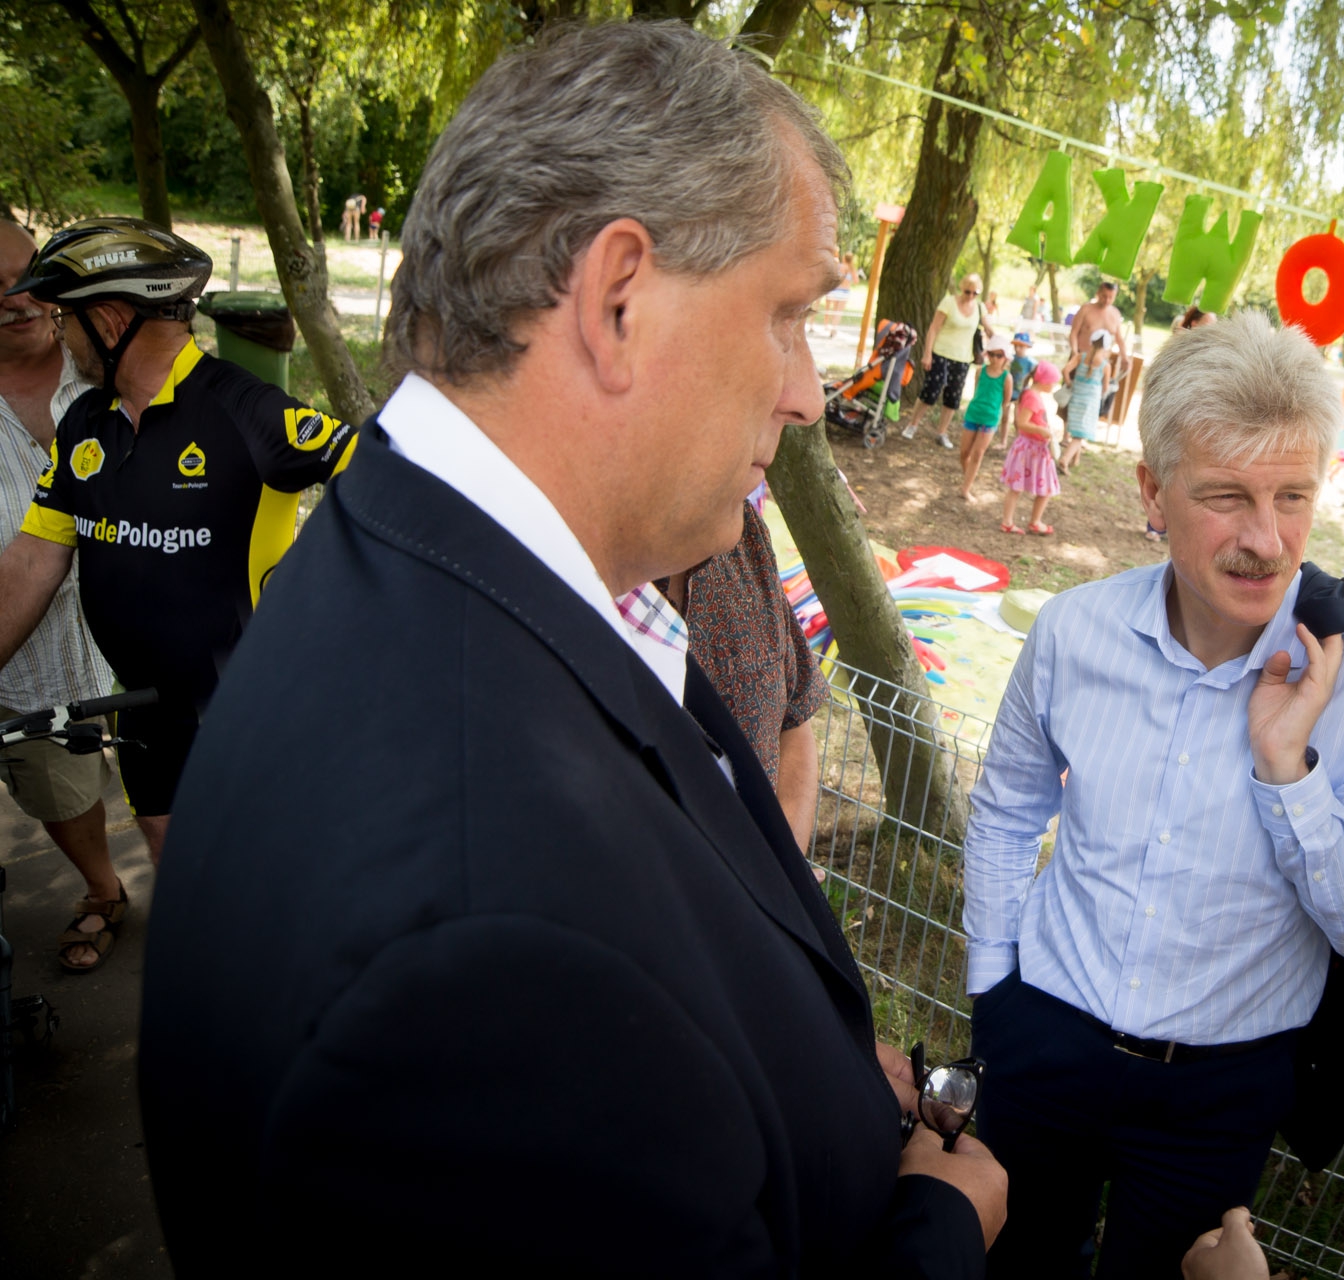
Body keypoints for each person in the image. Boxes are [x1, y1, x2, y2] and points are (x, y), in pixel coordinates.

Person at [137, 23, 1004, 1275]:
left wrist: (802, 1062)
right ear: (617, 301)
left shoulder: (441, 559)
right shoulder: (489, 958)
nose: (812, 391)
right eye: (789, 314)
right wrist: (936, 1228)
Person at [965, 313, 1344, 1279]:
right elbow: (1009, 805)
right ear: (1152, 491)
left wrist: (1288, 775)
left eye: (1292, 496)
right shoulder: (1073, 630)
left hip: (1221, 1089)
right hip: (1042, 1037)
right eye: (1226, 497)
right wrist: (993, 987)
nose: (1267, 540)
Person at [0, 217, 357, 861]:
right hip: (143, 715)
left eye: (66, 319)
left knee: (262, 904)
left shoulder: (248, 413)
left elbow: (403, 484)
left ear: (110, 322)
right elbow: (30, 561)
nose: (60, 336)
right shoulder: (84, 424)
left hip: (251, 717)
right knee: (189, 900)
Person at [0, 218, 121, 972]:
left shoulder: (114, 370)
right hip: (24, 659)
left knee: (95, 786)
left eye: (18, 277)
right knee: (58, 787)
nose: (10, 300)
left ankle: (118, 894)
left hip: (131, 646)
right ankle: (104, 888)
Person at [642, 496, 829, 849]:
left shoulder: (746, 536)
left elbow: (795, 719)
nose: (774, 439)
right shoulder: (583, 569)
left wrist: (785, 871)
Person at [901, 272, 990, 450]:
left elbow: (988, 328)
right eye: (968, 292)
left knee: (953, 397)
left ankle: (942, 432)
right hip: (941, 353)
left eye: (975, 293)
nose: (971, 296)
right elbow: (933, 329)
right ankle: (913, 424)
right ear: (961, 288)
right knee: (930, 392)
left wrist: (1001, 345)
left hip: (963, 358)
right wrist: (927, 354)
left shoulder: (980, 308)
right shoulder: (949, 302)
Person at [1000, 360, 1061, 536]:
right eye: (1053, 382)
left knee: (1029, 487)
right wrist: (1043, 430)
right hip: (1030, 449)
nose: (1054, 385)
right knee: (1023, 487)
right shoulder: (1032, 397)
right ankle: (1020, 522)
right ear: (1043, 381)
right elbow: (1022, 423)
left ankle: (1025, 521)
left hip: (1034, 449)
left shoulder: (1032, 394)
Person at [1068, 278, 1129, 425]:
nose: (1107, 300)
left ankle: (1084, 429)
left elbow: (1119, 338)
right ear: (1098, 293)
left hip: (1100, 363)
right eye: (1104, 296)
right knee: (1072, 394)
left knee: (1093, 397)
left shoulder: (1115, 314)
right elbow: (1074, 332)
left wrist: (1125, 357)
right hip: (1081, 357)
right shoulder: (1086, 309)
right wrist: (1075, 352)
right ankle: (1066, 433)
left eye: (1111, 297)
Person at [960, 336, 1013, 501]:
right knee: (964, 453)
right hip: (973, 413)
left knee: (977, 454)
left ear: (1005, 358)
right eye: (992, 354)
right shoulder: (980, 371)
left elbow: (1006, 401)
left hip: (989, 419)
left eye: (999, 355)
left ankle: (966, 488)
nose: (995, 359)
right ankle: (969, 476)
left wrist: (995, 413)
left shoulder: (1007, 377)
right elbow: (977, 391)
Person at [1057, 328, 1112, 472]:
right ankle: (1065, 460)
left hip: (1076, 397)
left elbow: (1066, 370)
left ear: (1092, 341)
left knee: (1077, 430)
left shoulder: (1081, 357)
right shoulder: (1105, 365)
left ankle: (1076, 459)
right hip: (1091, 401)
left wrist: (1069, 383)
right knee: (1080, 435)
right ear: (1106, 346)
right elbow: (1105, 387)